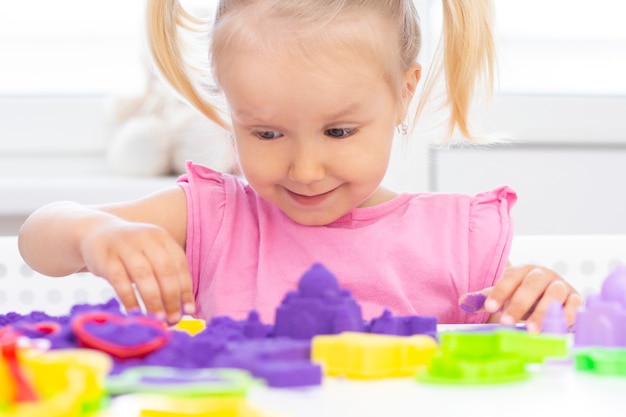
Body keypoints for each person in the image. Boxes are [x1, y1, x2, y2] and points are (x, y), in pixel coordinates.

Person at [18, 0, 582, 333]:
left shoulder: (460, 240)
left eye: (339, 131)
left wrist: (545, 302)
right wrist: (97, 232)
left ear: (404, 94)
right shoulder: (215, 218)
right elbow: (39, 236)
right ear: (231, 108)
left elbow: (530, 351)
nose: (305, 169)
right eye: (265, 133)